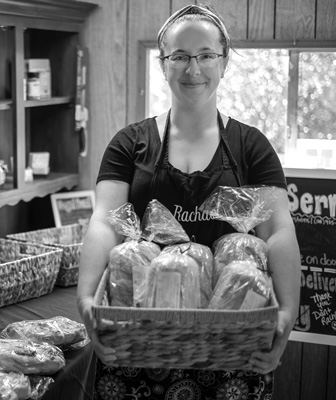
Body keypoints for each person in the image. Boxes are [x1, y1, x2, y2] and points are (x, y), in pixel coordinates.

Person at [77, 4, 301, 399]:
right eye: (179, 56)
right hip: (138, 345)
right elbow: (105, 222)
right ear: (163, 63)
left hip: (231, 350)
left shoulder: (251, 147)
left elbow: (278, 230)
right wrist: (86, 298)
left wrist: (286, 311)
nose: (192, 69)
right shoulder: (130, 144)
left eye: (205, 56)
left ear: (224, 62)